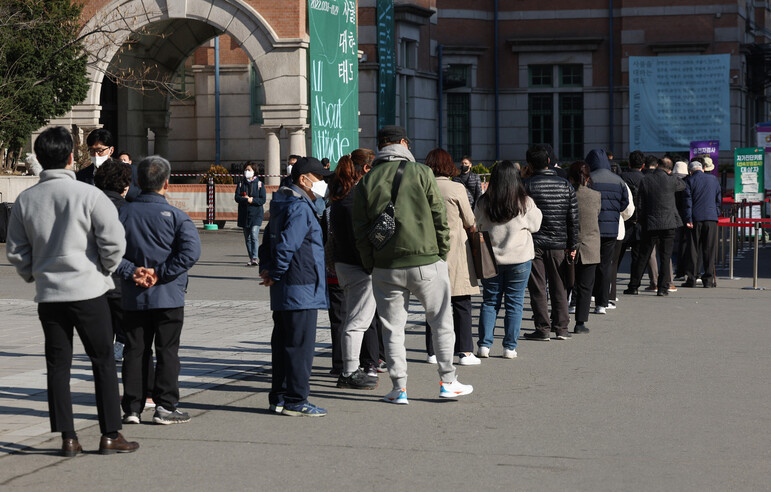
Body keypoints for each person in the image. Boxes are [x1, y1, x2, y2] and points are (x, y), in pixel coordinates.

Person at [6, 126, 138, 456]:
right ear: (69, 157)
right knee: (103, 361)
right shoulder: (88, 194)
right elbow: (114, 242)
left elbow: (17, 250)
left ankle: (67, 436)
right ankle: (110, 433)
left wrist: (34, 274)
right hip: (89, 290)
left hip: (50, 294)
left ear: (38, 158)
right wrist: (103, 270)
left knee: (58, 365)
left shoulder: (26, 199)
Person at [352, 125, 473, 404]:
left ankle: (399, 389)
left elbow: (360, 229)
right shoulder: (421, 172)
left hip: (385, 265)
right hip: (426, 260)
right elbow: (438, 215)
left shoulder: (367, 181)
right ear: (404, 143)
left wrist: (371, 263)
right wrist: (441, 251)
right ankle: (448, 382)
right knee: (441, 323)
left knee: (392, 329)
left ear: (381, 146)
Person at [116, 155, 202, 425]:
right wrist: (160, 272)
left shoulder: (122, 214)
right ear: (167, 182)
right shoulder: (177, 216)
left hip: (133, 294)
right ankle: (165, 405)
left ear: (138, 181)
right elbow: (191, 252)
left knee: (134, 350)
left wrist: (132, 271)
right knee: (167, 350)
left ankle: (131, 407)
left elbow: (106, 251)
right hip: (168, 294)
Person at [258, 157, 332, 416]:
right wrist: (274, 272)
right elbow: (287, 245)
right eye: (319, 178)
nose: (322, 183)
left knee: (283, 345)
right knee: (300, 347)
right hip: (301, 286)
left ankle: (279, 397)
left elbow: (267, 244)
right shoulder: (300, 207)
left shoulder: (283, 203)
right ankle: (296, 400)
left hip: (286, 288)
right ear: (304, 179)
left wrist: (268, 271)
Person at [475, 160, 542, 357]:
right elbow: (536, 225)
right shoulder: (525, 202)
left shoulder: (483, 201)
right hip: (520, 259)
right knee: (515, 303)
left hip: (491, 259)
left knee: (489, 301)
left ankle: (484, 345)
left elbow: (476, 225)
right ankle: (509, 347)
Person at [329, 149, 382, 389]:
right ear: (366, 170)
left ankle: (349, 369)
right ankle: (349, 371)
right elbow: (357, 239)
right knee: (358, 321)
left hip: (344, 264)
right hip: (358, 266)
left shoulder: (341, 195)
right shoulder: (354, 199)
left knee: (352, 318)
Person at [423, 148, 481, 366]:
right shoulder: (457, 187)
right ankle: (465, 351)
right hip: (455, 250)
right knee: (461, 302)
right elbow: (469, 220)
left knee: (433, 304)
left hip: (429, 250)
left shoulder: (423, 187)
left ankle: (432, 350)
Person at [522, 144, 579, 341]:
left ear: (529, 164)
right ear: (549, 162)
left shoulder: (526, 186)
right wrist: (573, 245)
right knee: (559, 286)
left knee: (537, 287)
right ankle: (562, 328)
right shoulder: (565, 185)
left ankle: (543, 328)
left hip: (533, 241)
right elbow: (573, 219)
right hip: (559, 242)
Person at [624, 157, 685, 296]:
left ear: (657, 165)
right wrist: (673, 175)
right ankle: (663, 288)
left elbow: (639, 203)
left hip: (650, 223)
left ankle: (634, 286)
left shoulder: (646, 180)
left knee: (643, 256)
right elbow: (682, 185)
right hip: (669, 223)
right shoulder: (672, 181)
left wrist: (640, 219)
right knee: (665, 256)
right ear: (669, 169)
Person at [585, 149, 631, 314]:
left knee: (589, 265)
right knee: (606, 266)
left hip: (591, 229)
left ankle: (584, 300)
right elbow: (625, 205)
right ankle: (602, 304)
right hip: (611, 230)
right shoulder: (619, 180)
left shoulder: (589, 179)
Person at [566, 161, 601, 334]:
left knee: (564, 285)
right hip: (590, 245)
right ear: (588, 178)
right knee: (586, 286)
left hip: (567, 245)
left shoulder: (566, 194)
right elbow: (597, 215)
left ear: (570, 177)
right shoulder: (596, 196)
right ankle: (580, 322)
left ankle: (559, 319)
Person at [682, 160, 721, 288]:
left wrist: (688, 219)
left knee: (693, 249)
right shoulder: (713, 179)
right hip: (711, 218)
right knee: (709, 249)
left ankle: (692, 278)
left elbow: (688, 202)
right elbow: (718, 199)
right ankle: (708, 280)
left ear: (690, 170)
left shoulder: (689, 181)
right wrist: (716, 213)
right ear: (703, 168)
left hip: (695, 218)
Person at [235, 162, 267, 266]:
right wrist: (245, 200)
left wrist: (252, 200)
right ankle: (251, 257)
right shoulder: (241, 183)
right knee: (247, 237)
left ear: (254, 171)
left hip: (256, 214)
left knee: (254, 234)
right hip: (244, 214)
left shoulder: (260, 184)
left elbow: (262, 200)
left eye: (249, 170)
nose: (247, 172)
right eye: (246, 170)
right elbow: (237, 197)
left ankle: (255, 257)